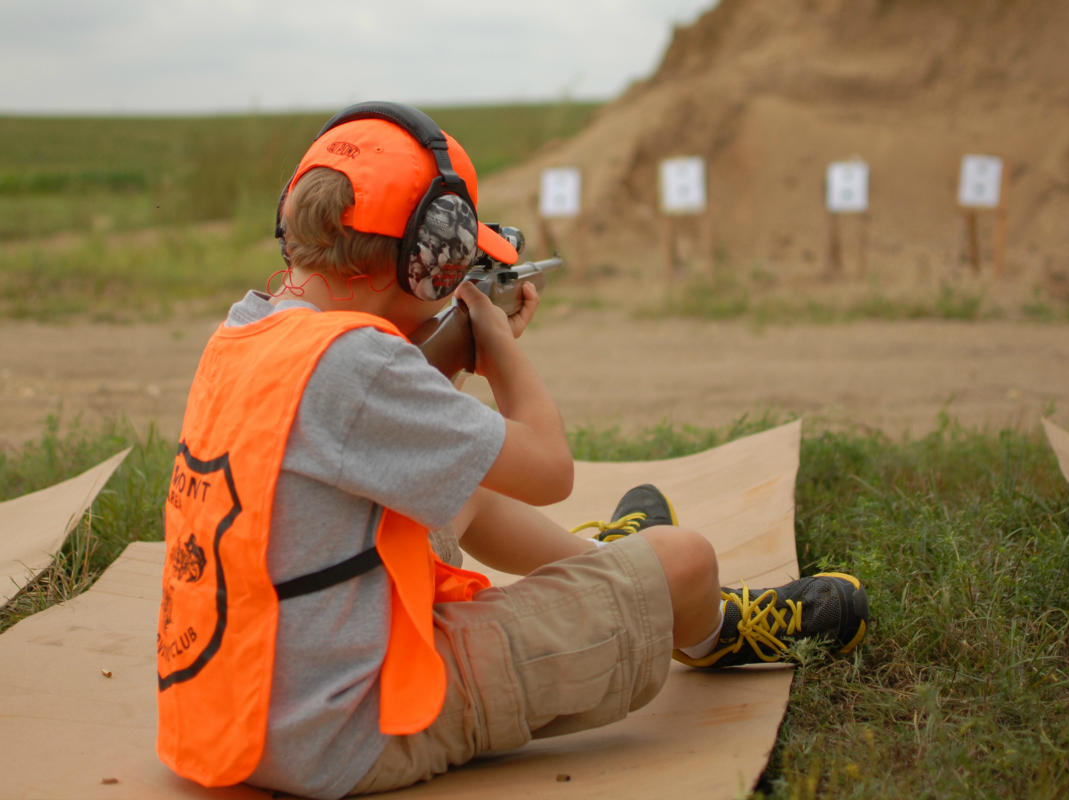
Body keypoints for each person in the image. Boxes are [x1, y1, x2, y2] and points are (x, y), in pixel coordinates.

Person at [155, 103, 869, 800]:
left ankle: (605, 568)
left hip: (232, 716)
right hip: (346, 734)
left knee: (458, 479)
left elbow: (362, 427)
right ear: (425, 261)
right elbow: (550, 469)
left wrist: (445, 347)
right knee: (686, 559)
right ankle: (707, 627)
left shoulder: (245, 329)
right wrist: (495, 348)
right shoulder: (360, 367)